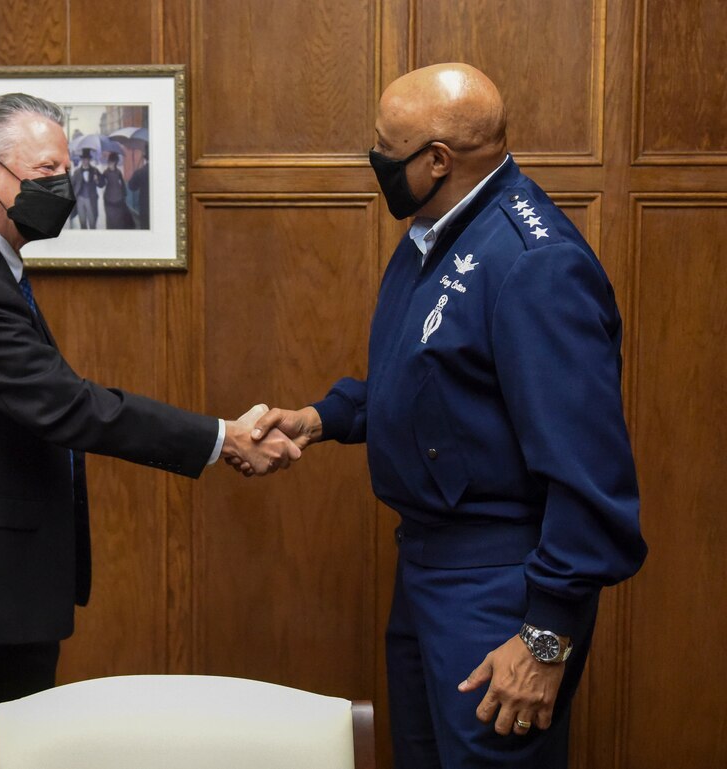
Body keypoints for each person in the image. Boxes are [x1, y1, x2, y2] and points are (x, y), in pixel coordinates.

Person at [0, 92, 300, 769]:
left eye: (67, 172)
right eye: (46, 173)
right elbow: (69, 407)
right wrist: (222, 437)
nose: (62, 190)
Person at [242, 63, 646, 768]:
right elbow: (437, 379)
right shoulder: (439, 230)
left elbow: (591, 479)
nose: (375, 161)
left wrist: (545, 640)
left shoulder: (534, 264)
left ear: (437, 161)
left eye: (385, 148)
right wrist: (324, 416)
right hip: (426, 565)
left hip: (501, 588)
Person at [71, 146, 104, 228]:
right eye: (84, 159)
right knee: (82, 223)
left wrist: (97, 180)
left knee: (92, 223)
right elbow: (71, 186)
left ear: (89, 160)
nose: (85, 161)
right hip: (80, 200)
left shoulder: (95, 170)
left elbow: (102, 184)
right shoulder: (77, 172)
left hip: (91, 199)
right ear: (82, 160)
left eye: (87, 159)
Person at [102, 151, 134, 229]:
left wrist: (124, 196)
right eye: (109, 162)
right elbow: (101, 183)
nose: (110, 164)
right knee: (110, 221)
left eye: (112, 162)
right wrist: (97, 179)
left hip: (118, 201)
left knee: (119, 221)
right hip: (109, 201)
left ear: (115, 162)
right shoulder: (105, 173)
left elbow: (123, 185)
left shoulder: (118, 172)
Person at [128, 149, 149, 228]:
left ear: (145, 158)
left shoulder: (141, 172)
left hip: (144, 207)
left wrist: (136, 173)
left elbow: (132, 186)